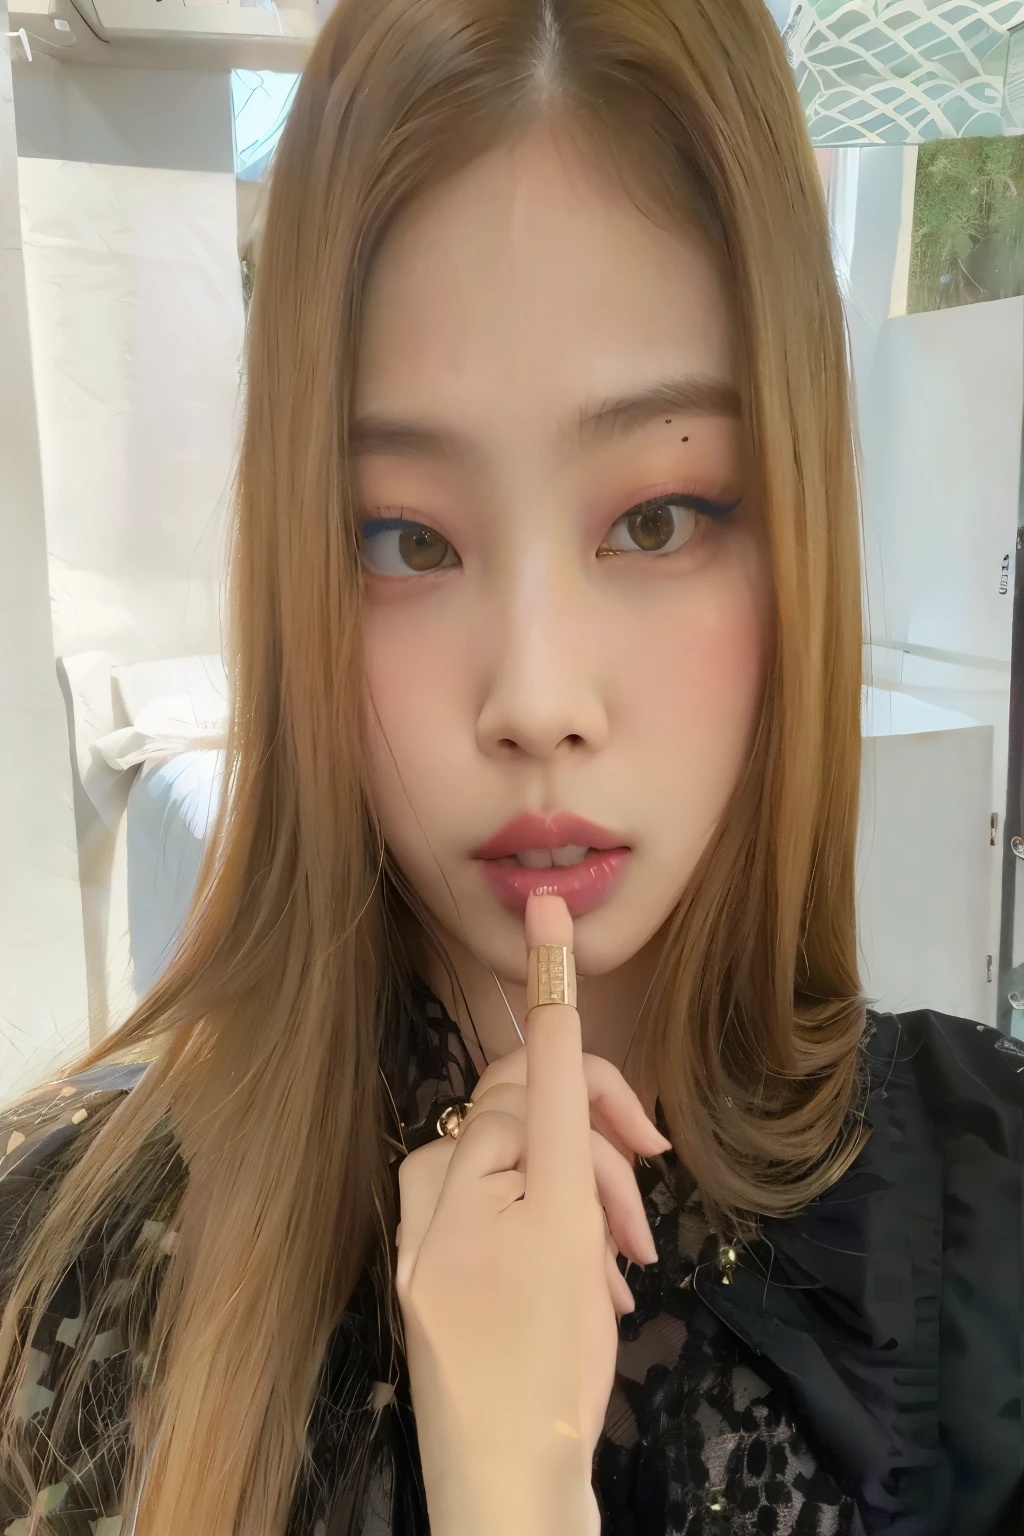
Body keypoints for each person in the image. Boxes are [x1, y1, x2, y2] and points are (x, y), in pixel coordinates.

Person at [0, 1, 1020, 1533]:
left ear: (798, 527)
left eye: (657, 520)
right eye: (406, 540)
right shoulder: (55, 1288)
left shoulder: (996, 1222)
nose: (536, 702)